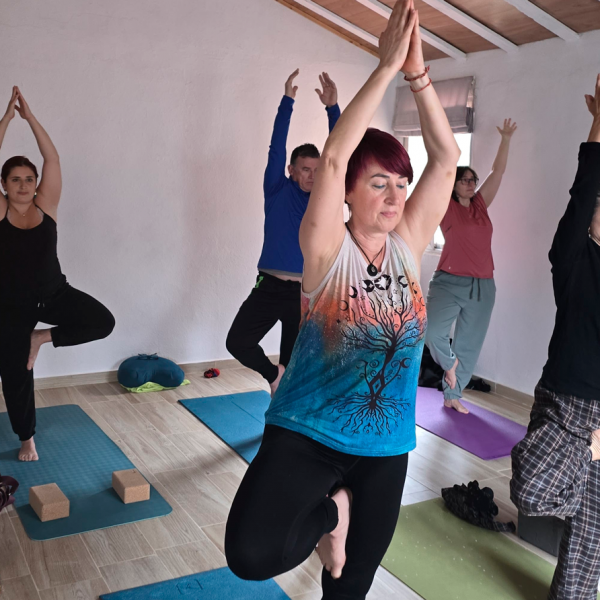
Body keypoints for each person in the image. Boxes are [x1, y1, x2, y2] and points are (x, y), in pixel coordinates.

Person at [224, 2, 460, 598]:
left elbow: (447, 157)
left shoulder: (408, 245)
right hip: (307, 431)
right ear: (348, 192)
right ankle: (334, 513)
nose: (395, 197)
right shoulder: (327, 249)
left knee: (349, 587)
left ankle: (343, 514)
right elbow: (332, 157)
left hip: (386, 447)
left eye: (401, 184)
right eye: (379, 183)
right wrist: (385, 68)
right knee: (251, 554)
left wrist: (418, 74)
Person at [511, 74, 600, 600]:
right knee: (532, 490)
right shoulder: (572, 260)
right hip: (566, 404)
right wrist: (599, 125)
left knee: (590, 537)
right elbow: (582, 191)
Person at [0, 87, 115, 461]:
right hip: (11, 306)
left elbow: (52, 158)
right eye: (14, 179)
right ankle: (27, 438)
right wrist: (5, 120)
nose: (23, 185)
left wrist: (30, 118)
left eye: (28, 179)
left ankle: (41, 337)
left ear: (36, 183)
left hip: (54, 294)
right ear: (4, 185)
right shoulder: (1, 211)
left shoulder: (46, 205)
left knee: (103, 321)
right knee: (15, 374)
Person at [226, 70, 340, 396]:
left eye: (317, 170)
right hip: (269, 286)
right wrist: (287, 101)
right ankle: (272, 374)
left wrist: (332, 109)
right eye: (305, 169)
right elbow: (276, 147)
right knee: (238, 341)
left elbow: (339, 156)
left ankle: (281, 406)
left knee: (294, 366)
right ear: (291, 170)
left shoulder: (324, 198)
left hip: (306, 292)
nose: (312, 176)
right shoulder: (276, 189)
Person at [425, 118, 517, 413]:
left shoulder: (479, 205)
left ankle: (453, 395)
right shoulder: (445, 206)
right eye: (464, 179)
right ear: (453, 184)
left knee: (469, 343)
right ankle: (449, 365)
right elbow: (438, 171)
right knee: (432, 331)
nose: (471, 184)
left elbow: (497, 172)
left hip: (483, 286)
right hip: (448, 281)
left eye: (472, 180)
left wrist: (505, 139)